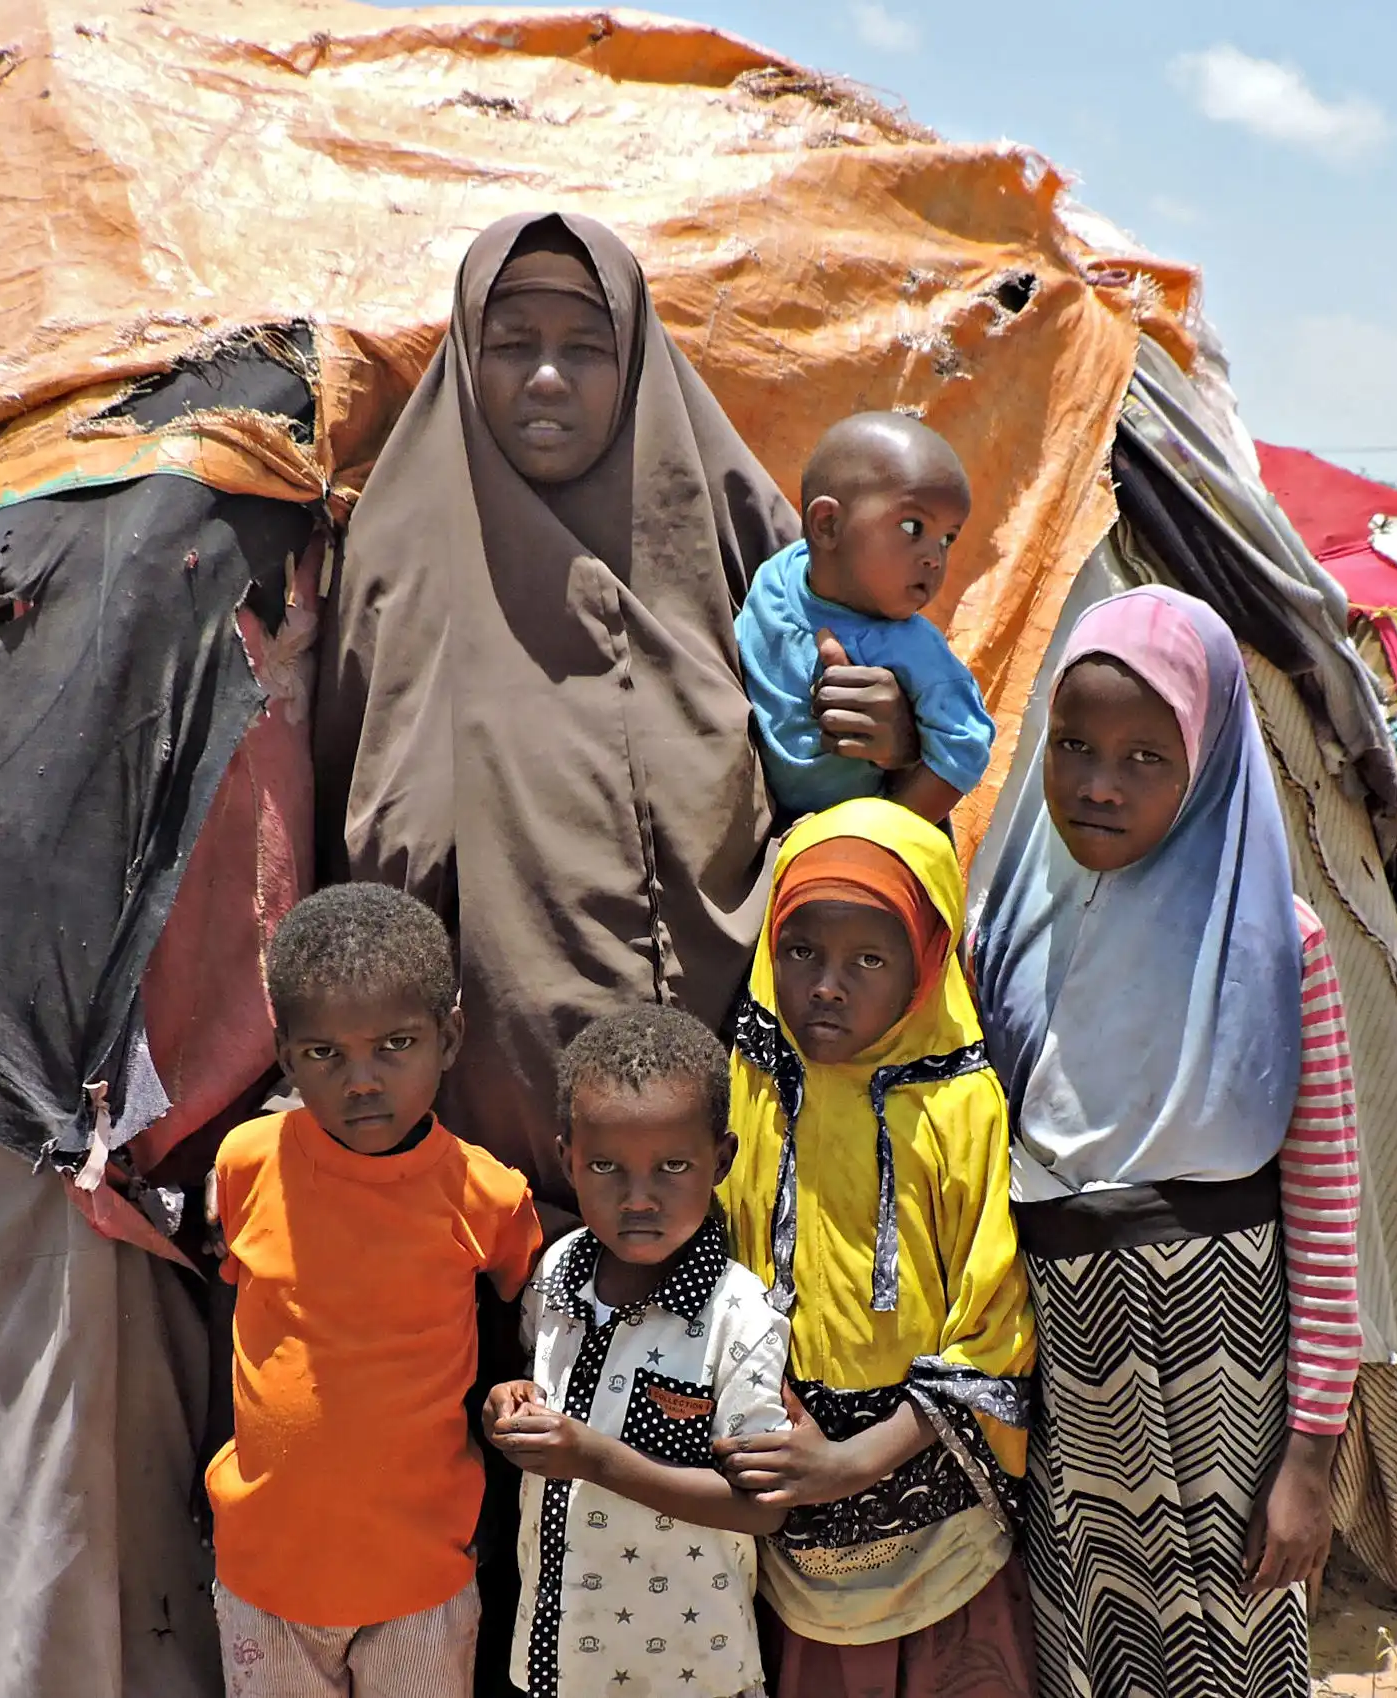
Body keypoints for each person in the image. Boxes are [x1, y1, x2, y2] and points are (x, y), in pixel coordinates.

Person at [315, 211, 921, 1208]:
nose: (546, 380)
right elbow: (347, 826)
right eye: (512, 346)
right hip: (481, 1183)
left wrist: (890, 735)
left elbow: (855, 774)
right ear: (470, 355)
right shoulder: (400, 551)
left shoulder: (735, 542)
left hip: (739, 1145)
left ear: (633, 361)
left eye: (585, 351)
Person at [971, 586, 1364, 1698]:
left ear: (1210, 763)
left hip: (1223, 1359)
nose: (1100, 782)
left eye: (1148, 756)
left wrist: (1308, 1460)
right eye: (1075, 745)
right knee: (1079, 1648)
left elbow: (1331, 1214)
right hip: (1057, 1348)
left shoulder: (1280, 947)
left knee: (1228, 1650)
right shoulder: (1005, 926)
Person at [711, 798, 1039, 1698]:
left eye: (868, 958)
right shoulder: (756, 1075)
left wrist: (855, 1462)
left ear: (927, 964)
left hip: (924, 1473)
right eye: (803, 951)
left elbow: (994, 1324)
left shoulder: (957, 1105)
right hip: (784, 1462)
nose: (826, 985)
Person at [204, 884, 545, 1698]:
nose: (362, 1081)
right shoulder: (247, 1163)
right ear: (286, 1056)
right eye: (326, 1054)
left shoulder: (485, 1195)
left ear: (449, 1037)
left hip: (420, 1581)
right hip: (266, 1576)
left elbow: (532, 1313)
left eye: (396, 1044)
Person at [482, 1006, 790, 1698]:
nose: (639, 1198)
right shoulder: (558, 1272)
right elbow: (532, 1384)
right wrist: (506, 1407)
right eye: (607, 1168)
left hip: (691, 1670)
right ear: (568, 1160)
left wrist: (594, 1458)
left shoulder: (736, 1316)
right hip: (557, 1658)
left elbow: (762, 1506)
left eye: (673, 1167)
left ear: (721, 1161)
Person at [734, 413, 995, 825]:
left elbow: (965, 746)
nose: (935, 557)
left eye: (948, 538)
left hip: (834, 841)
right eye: (913, 526)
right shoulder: (779, 574)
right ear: (827, 524)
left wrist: (874, 836)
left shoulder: (912, 649)